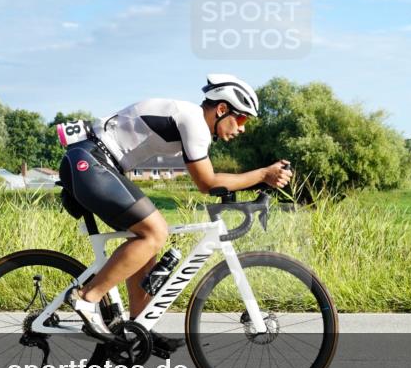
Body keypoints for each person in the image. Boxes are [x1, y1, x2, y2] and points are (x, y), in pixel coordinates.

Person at [57, 74, 292, 353]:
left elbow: (211, 180)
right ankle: (87, 297)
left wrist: (247, 185)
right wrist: (263, 174)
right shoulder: (194, 121)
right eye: (241, 120)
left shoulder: (193, 124)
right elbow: (207, 182)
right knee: (155, 232)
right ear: (221, 110)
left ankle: (139, 325)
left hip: (97, 163)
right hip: (91, 162)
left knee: (147, 245)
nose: (242, 129)